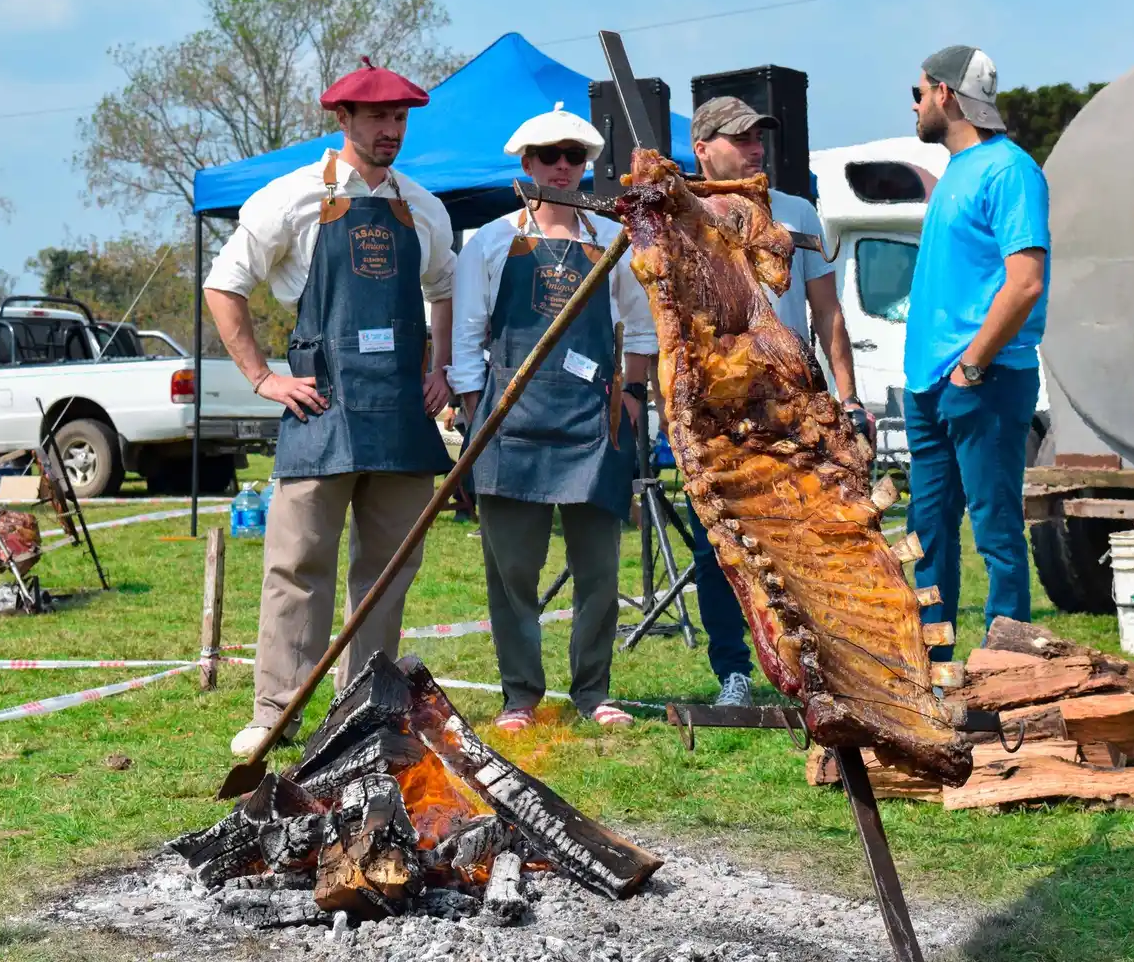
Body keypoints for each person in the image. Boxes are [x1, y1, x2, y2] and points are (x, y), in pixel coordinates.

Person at [203, 57, 458, 756]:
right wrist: (262, 377)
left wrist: (441, 367)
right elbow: (224, 285)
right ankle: (275, 713)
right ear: (342, 119)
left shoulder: (423, 207)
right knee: (298, 565)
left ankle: (363, 710)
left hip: (402, 413)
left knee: (387, 573)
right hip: (322, 405)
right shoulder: (289, 198)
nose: (390, 130)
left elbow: (444, 288)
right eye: (377, 118)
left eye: (399, 118)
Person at [449, 102, 655, 732]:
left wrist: (632, 394)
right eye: (548, 156)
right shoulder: (489, 241)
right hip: (510, 425)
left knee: (599, 570)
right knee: (513, 570)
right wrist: (473, 413)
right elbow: (466, 338)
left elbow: (641, 328)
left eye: (573, 156)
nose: (562, 167)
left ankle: (593, 691)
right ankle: (520, 695)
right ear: (527, 164)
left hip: (592, 427)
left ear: (586, 165)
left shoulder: (614, 240)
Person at [677, 95, 873, 707]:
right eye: (740, 139)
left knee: (811, 536)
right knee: (719, 544)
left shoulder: (795, 212)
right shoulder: (682, 214)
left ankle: (822, 666)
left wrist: (847, 396)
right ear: (702, 149)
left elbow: (827, 312)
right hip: (718, 409)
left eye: (758, 137)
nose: (755, 148)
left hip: (791, 405)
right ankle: (733, 671)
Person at [905, 45, 1050, 662]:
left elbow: (1026, 283)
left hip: (984, 378)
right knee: (927, 538)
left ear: (944, 94)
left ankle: (1006, 672)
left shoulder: (1010, 170)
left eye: (917, 93)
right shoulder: (956, 174)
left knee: (996, 533)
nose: (914, 106)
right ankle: (931, 673)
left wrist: (971, 366)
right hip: (929, 383)